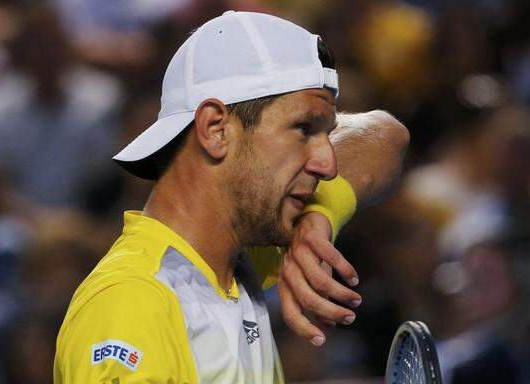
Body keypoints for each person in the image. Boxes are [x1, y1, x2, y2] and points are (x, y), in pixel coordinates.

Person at [54, 11, 409, 383]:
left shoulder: (232, 259)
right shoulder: (133, 302)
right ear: (215, 129)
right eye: (304, 129)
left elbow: (387, 136)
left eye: (325, 133)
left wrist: (319, 218)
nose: (328, 164)